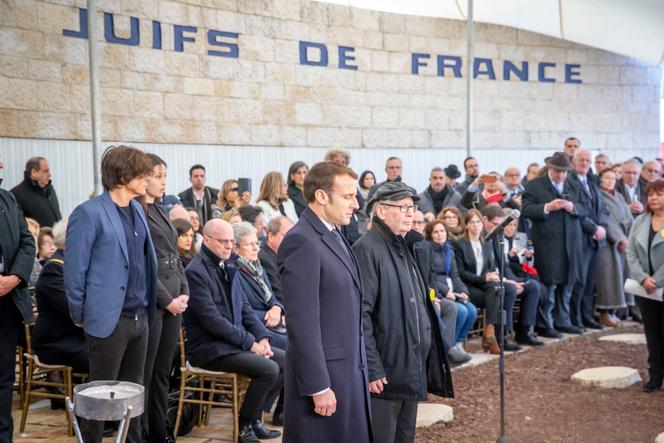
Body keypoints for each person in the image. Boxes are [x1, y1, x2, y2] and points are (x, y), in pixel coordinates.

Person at [64, 145, 158, 443]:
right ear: (122, 175)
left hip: (140, 316)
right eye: (143, 173)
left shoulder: (139, 211)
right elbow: (75, 270)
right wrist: (81, 314)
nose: (148, 179)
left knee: (134, 394)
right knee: (99, 396)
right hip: (108, 318)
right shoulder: (88, 213)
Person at [278, 161, 372, 443]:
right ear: (321, 196)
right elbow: (302, 321)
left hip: (349, 371)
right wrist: (318, 385)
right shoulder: (302, 241)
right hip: (326, 379)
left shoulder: (335, 233)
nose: (355, 204)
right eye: (347, 196)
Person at [354, 181, 453, 442]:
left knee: (404, 436)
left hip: (409, 367)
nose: (412, 213)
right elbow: (360, 313)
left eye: (412, 207)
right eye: (403, 207)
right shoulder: (368, 248)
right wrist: (373, 368)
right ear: (381, 211)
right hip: (386, 373)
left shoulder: (405, 246)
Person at [184, 219, 283, 442]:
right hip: (209, 349)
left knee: (285, 361)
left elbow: (245, 309)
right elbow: (213, 321)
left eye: (231, 241)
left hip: (231, 344)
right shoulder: (195, 272)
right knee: (269, 369)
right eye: (223, 242)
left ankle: (255, 420)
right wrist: (250, 343)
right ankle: (243, 427)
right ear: (207, 240)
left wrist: (263, 336)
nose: (229, 246)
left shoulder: (228, 264)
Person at [139, 154, 190, 443]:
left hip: (174, 301)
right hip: (156, 302)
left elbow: (174, 256)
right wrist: (167, 299)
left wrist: (184, 292)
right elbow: (146, 262)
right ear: (143, 177)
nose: (163, 181)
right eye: (158, 175)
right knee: (146, 372)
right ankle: (144, 431)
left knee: (162, 372)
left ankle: (161, 430)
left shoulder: (159, 209)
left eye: (165, 176)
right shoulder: (138, 211)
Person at [521, 152, 586, 337]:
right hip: (548, 244)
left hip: (571, 244)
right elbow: (525, 209)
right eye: (558, 171)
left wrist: (572, 207)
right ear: (550, 168)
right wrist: (548, 207)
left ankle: (563, 321)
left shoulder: (574, 184)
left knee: (567, 284)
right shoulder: (535, 185)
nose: (561, 175)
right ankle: (545, 324)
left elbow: (585, 207)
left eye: (565, 172)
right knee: (549, 286)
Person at [0, 162, 36, 442]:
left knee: (3, 380)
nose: (2, 164)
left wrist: (15, 277)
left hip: (7, 299)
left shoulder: (8, 198)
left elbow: (27, 241)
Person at [452, 209, 519, 354]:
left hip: (485, 286)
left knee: (499, 289)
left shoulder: (486, 243)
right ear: (466, 225)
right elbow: (461, 273)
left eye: (478, 222)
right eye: (472, 222)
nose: (476, 225)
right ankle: (490, 335)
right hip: (469, 285)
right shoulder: (460, 244)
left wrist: (493, 275)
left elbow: (490, 266)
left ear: (482, 224)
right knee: (496, 293)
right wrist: (484, 278)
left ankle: (490, 330)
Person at [32, 218, 89, 376]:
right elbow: (75, 310)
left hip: (75, 336)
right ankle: (89, 397)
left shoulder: (73, 264)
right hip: (56, 341)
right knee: (104, 354)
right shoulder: (54, 270)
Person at [414, 219, 476, 364]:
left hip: (451, 290)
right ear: (430, 234)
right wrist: (446, 291)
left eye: (442, 231)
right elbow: (431, 277)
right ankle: (448, 348)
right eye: (436, 232)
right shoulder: (427, 249)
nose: (440, 234)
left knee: (471, 310)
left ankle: (457, 344)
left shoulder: (450, 250)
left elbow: (454, 275)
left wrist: (463, 291)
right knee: (459, 310)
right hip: (438, 290)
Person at [482, 205, 543, 346]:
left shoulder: (497, 237)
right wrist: (509, 282)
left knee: (533, 286)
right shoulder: (484, 238)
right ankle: (504, 334)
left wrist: (514, 281)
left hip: (503, 277)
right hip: (489, 279)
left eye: (500, 225)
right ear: (485, 220)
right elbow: (488, 268)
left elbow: (504, 264)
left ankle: (525, 331)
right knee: (509, 289)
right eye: (496, 224)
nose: (499, 228)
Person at [626, 180, 664, 393]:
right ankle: (655, 376)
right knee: (652, 332)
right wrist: (642, 278)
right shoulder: (640, 221)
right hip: (645, 289)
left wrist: (656, 280)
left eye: (659, 194)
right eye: (650, 195)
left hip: (660, 284)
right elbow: (631, 252)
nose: (654, 198)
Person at [567, 149, 608, 331]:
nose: (584, 163)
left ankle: (588, 315)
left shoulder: (592, 182)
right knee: (579, 281)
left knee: (590, 281)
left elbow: (603, 209)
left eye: (587, 160)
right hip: (581, 238)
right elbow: (577, 210)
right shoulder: (570, 182)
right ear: (574, 162)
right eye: (581, 160)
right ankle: (576, 318)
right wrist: (594, 228)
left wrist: (602, 227)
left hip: (595, 240)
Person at [231, 222, 286, 350]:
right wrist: (269, 316)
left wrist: (277, 308)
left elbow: (272, 297)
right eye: (250, 244)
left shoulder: (257, 267)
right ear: (236, 249)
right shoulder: (234, 271)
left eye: (257, 243)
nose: (256, 248)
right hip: (254, 329)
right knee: (295, 345)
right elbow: (242, 310)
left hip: (271, 324)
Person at [595, 168, 632, 327]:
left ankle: (613, 312)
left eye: (613, 178)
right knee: (608, 278)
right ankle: (604, 312)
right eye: (607, 178)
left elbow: (629, 218)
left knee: (619, 277)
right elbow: (606, 220)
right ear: (600, 179)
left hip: (624, 241)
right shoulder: (598, 195)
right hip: (608, 243)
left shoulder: (620, 196)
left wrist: (630, 237)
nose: (610, 181)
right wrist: (619, 239)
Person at [10, 156, 62, 227]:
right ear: (34, 172)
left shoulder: (50, 190)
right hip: (36, 237)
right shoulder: (16, 195)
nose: (50, 174)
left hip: (56, 237)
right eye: (45, 171)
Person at [258, 216, 294, 305]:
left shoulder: (289, 255)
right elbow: (279, 293)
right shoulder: (264, 258)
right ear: (270, 236)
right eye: (285, 235)